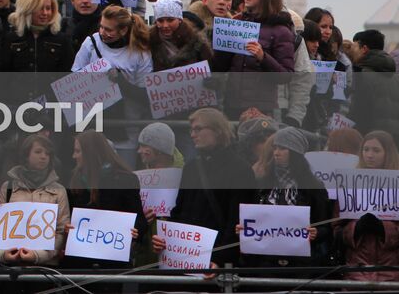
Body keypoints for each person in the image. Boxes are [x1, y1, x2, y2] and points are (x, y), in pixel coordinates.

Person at [154, 107, 249, 265]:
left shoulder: (240, 169)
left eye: (198, 129)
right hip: (184, 259)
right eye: (191, 130)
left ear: (218, 131)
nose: (192, 135)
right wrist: (165, 240)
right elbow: (179, 211)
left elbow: (236, 221)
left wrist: (219, 260)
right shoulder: (191, 167)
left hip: (217, 263)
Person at [238, 127, 330, 268]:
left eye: (282, 148)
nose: (276, 153)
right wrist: (243, 227)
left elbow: (326, 224)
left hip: (301, 264)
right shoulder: (262, 182)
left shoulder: (313, 186)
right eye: (275, 148)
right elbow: (253, 217)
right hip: (264, 262)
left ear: (295, 152)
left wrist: (317, 233)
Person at [213, 0, 296, 118]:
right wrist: (220, 42)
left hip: (261, 109)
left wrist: (263, 57)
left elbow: (285, 75)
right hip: (232, 104)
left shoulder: (281, 31)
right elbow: (222, 66)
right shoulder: (237, 23)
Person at [63, 131, 147, 270]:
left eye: (78, 151)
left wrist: (135, 231)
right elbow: (69, 218)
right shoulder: (74, 180)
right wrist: (67, 227)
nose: (74, 156)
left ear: (90, 152)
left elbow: (140, 221)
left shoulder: (125, 180)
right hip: (79, 263)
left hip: (113, 264)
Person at [0, 132, 68, 266]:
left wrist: (37, 255)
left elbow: (60, 232)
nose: (43, 157)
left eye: (48, 154)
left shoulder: (59, 190)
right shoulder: (7, 188)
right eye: (38, 152)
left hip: (46, 266)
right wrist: (3, 255)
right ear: (26, 155)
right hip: (12, 265)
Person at [339, 130, 399, 281]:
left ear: (388, 153)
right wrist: (356, 228)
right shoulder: (349, 184)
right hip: (356, 273)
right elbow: (336, 228)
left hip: (391, 273)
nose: (369, 155)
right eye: (366, 149)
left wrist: (384, 228)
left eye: (376, 150)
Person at [3, 0, 74, 77]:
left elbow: (67, 75)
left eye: (48, 8)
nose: (45, 13)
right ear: (27, 9)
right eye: (40, 8)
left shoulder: (62, 40)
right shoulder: (11, 38)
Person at [349, 28, 399, 139]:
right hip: (393, 140)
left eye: (354, 47)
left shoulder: (361, 75)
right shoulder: (394, 77)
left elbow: (357, 111)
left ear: (364, 49)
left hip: (369, 140)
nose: (352, 51)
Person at [148, 0, 211, 70]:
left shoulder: (196, 40)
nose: (165, 25)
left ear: (179, 20)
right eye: (160, 21)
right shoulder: (148, 41)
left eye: (170, 20)